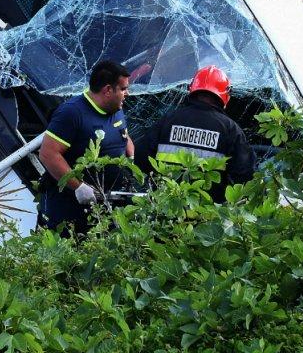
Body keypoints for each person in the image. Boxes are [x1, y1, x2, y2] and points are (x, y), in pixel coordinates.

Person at [38, 60, 135, 234]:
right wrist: (78, 186)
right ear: (107, 90)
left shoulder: (116, 108)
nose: (127, 93)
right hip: (70, 208)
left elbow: (123, 134)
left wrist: (131, 159)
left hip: (107, 205)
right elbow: (48, 154)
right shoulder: (72, 113)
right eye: (123, 89)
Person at [134, 65, 254, 203]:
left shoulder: (168, 120)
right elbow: (245, 175)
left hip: (167, 205)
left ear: (192, 89)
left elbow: (141, 157)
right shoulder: (231, 129)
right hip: (209, 214)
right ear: (225, 95)